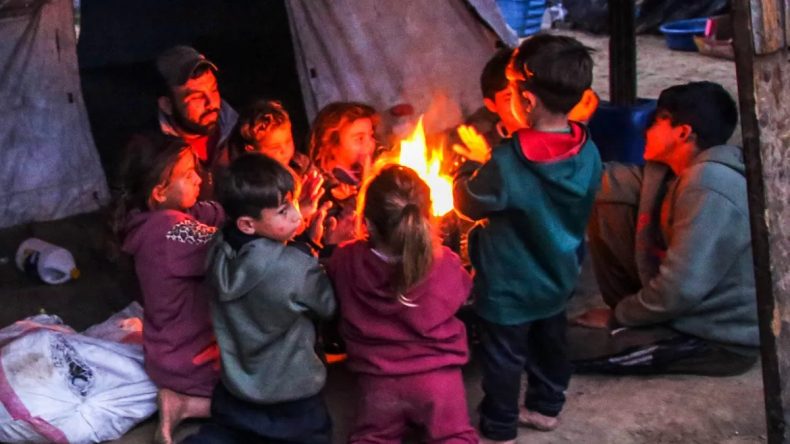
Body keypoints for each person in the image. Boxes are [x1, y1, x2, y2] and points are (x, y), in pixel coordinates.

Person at [453, 34, 601, 443]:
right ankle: (546, 407)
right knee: (551, 345)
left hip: (509, 285)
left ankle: (500, 423)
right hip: (558, 274)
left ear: (528, 102)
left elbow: (469, 203)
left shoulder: (507, 162)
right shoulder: (588, 150)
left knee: (504, 357)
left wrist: (465, 170)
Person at [572, 81, 759, 376]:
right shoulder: (668, 173)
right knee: (607, 199)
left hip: (713, 338)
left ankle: (636, 330)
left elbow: (680, 289)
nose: (645, 131)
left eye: (656, 122)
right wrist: (570, 127)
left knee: (556, 347)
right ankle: (635, 324)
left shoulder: (708, 184)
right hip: (675, 315)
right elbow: (594, 181)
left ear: (683, 132)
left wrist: (618, 317)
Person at [185, 153, 336, 443]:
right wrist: (317, 248)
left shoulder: (218, 250)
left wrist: (291, 231)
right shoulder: (295, 268)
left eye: (293, 203)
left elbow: (258, 259)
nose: (296, 215)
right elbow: (327, 306)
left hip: (238, 390)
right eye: (283, 211)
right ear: (247, 224)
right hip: (293, 396)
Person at [327, 165, 478, 443]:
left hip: (379, 383)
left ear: (368, 223)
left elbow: (331, 278)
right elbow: (463, 293)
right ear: (426, 218)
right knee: (455, 436)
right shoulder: (444, 262)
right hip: (438, 381)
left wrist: (328, 244)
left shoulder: (346, 260)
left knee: (371, 438)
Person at [113, 132, 223, 444]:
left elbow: (215, 213)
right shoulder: (171, 231)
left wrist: (243, 203)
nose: (199, 179)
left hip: (166, 354)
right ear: (160, 192)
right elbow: (232, 248)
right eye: (188, 175)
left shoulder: (153, 219)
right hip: (194, 361)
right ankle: (186, 405)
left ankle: (184, 400)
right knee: (271, 392)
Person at [155, 45, 238, 199]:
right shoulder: (156, 156)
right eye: (196, 97)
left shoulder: (243, 131)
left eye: (213, 90)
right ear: (167, 105)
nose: (211, 103)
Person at [309, 101, 379, 249]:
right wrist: (366, 188)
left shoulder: (366, 175)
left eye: (371, 136)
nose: (369, 144)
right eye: (359, 138)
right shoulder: (319, 189)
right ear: (332, 144)